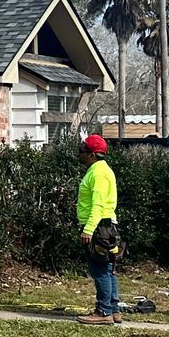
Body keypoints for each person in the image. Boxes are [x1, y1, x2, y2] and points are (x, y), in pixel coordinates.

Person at [76, 133, 121, 325]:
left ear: (92, 154)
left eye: (82, 151)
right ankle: (113, 308)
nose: (79, 154)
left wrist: (88, 229)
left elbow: (98, 205)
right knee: (108, 268)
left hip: (99, 226)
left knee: (100, 268)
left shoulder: (98, 173)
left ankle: (104, 312)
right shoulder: (99, 169)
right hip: (104, 225)